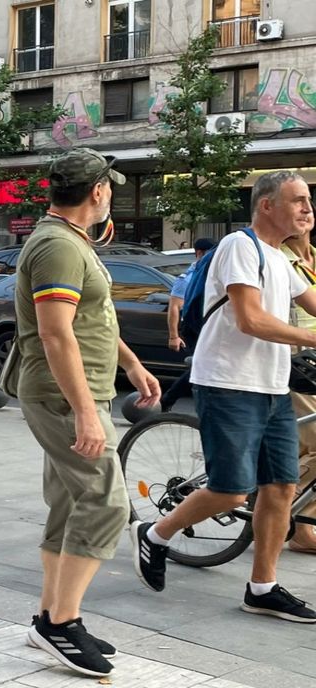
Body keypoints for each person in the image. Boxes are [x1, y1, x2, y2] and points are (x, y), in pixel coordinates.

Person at [133, 170, 316, 623]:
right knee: (232, 492)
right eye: (297, 200)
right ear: (267, 205)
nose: (307, 208)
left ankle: (262, 587)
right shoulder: (241, 245)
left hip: (273, 386)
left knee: (279, 489)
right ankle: (155, 534)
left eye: (309, 199)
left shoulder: (280, 257)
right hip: (229, 383)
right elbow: (250, 319)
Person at [15, 148, 160, 678]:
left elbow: (88, 320)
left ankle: (49, 617)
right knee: (105, 503)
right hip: (61, 396)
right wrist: (86, 414)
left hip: (73, 391)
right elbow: (55, 334)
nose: (111, 196)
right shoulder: (58, 246)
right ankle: (63, 625)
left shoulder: (68, 241)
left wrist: (132, 364)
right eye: (110, 188)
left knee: (70, 504)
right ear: (97, 192)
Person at [278, 216, 316, 553]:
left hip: (314, 364)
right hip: (292, 364)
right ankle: (292, 519)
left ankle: (287, 522)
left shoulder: (314, 258)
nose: (302, 217)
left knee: (304, 447)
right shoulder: (278, 259)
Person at [161, 237, 216, 412]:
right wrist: (173, 336)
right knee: (202, 367)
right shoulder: (187, 278)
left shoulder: (211, 273)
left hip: (208, 326)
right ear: (199, 253)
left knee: (209, 366)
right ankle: (168, 399)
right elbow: (175, 307)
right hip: (193, 328)